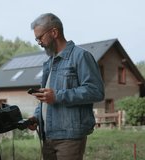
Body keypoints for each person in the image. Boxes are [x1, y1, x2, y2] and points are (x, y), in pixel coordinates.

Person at [28, 13, 105, 160]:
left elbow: (96, 91)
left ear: (54, 32)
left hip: (69, 138)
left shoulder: (81, 56)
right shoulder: (49, 62)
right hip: (47, 135)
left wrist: (57, 96)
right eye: (36, 39)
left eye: (40, 37)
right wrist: (37, 117)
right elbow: (46, 96)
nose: (38, 42)